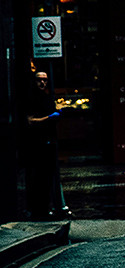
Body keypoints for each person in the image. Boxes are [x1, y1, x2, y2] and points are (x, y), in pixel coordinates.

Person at [23, 70, 70, 220]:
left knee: (48, 177)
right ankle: (39, 210)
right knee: (39, 178)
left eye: (45, 80)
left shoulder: (47, 97)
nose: (42, 83)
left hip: (49, 140)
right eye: (39, 80)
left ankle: (47, 208)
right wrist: (48, 118)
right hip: (37, 143)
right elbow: (30, 121)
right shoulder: (31, 98)